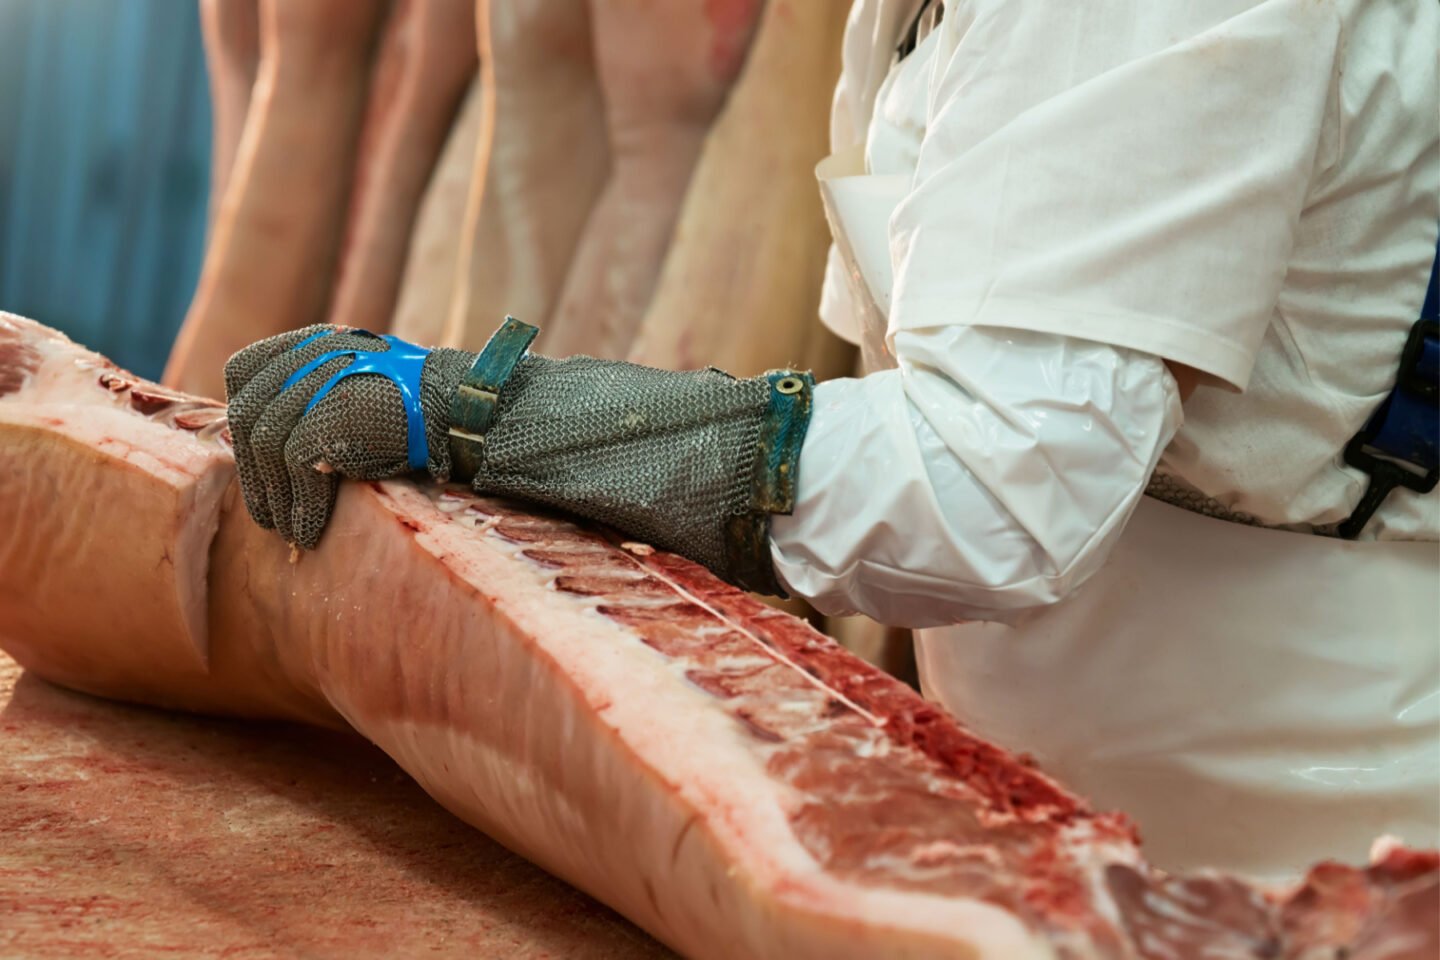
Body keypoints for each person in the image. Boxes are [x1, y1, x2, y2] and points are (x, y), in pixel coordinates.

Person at [224, 0, 1439, 880]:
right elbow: (930, 373)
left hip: (1301, 826)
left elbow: (996, 490)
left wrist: (500, 415)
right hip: (1047, 790)